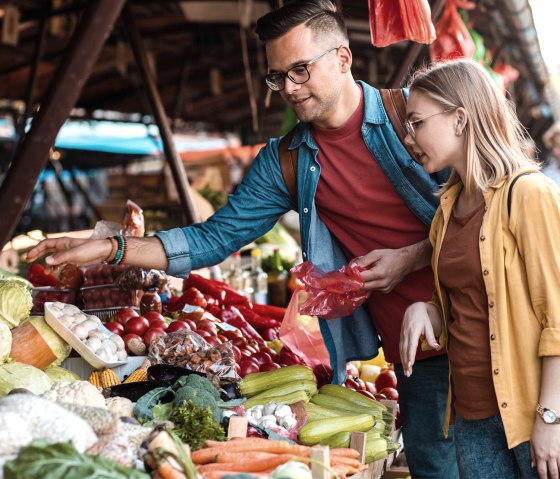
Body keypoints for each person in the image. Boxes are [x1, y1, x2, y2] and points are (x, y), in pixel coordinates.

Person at [28, 1, 457, 476]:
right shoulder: (288, 161)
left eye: (300, 70)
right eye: (278, 77)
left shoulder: (414, 118)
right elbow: (215, 238)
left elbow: (495, 212)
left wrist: (413, 257)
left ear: (342, 58)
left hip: (483, 331)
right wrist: (112, 247)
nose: (289, 90)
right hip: (414, 355)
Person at [399, 57, 560, 479]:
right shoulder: (446, 210)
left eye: (416, 122)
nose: (408, 137)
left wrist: (549, 418)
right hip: (471, 418)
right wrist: (425, 310)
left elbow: (557, 317)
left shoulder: (528, 194)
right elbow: (462, 301)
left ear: (459, 119)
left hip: (530, 417)